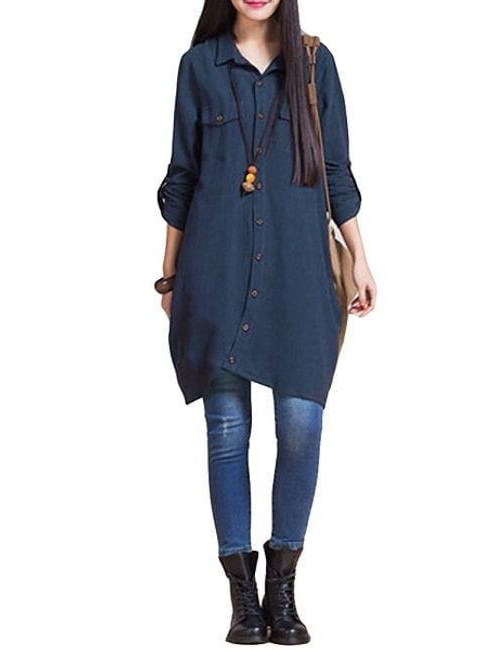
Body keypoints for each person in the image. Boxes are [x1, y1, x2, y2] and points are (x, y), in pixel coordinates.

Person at [155, 0, 376, 644]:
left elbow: (336, 170)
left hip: (299, 273)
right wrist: (168, 277)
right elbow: (182, 177)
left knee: (301, 427)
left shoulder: (315, 64)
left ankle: (284, 588)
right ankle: (243, 599)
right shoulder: (199, 66)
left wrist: (360, 258)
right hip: (215, 270)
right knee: (227, 431)